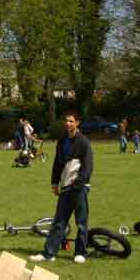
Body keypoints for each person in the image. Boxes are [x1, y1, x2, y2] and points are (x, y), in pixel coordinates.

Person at [30, 112, 93, 264]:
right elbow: (58, 163)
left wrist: (78, 184)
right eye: (66, 121)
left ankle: (80, 253)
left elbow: (88, 167)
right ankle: (49, 253)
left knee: (81, 223)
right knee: (59, 222)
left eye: (71, 121)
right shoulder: (62, 141)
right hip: (65, 188)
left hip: (79, 188)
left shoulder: (84, 142)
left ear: (77, 123)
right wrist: (54, 182)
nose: (68, 124)